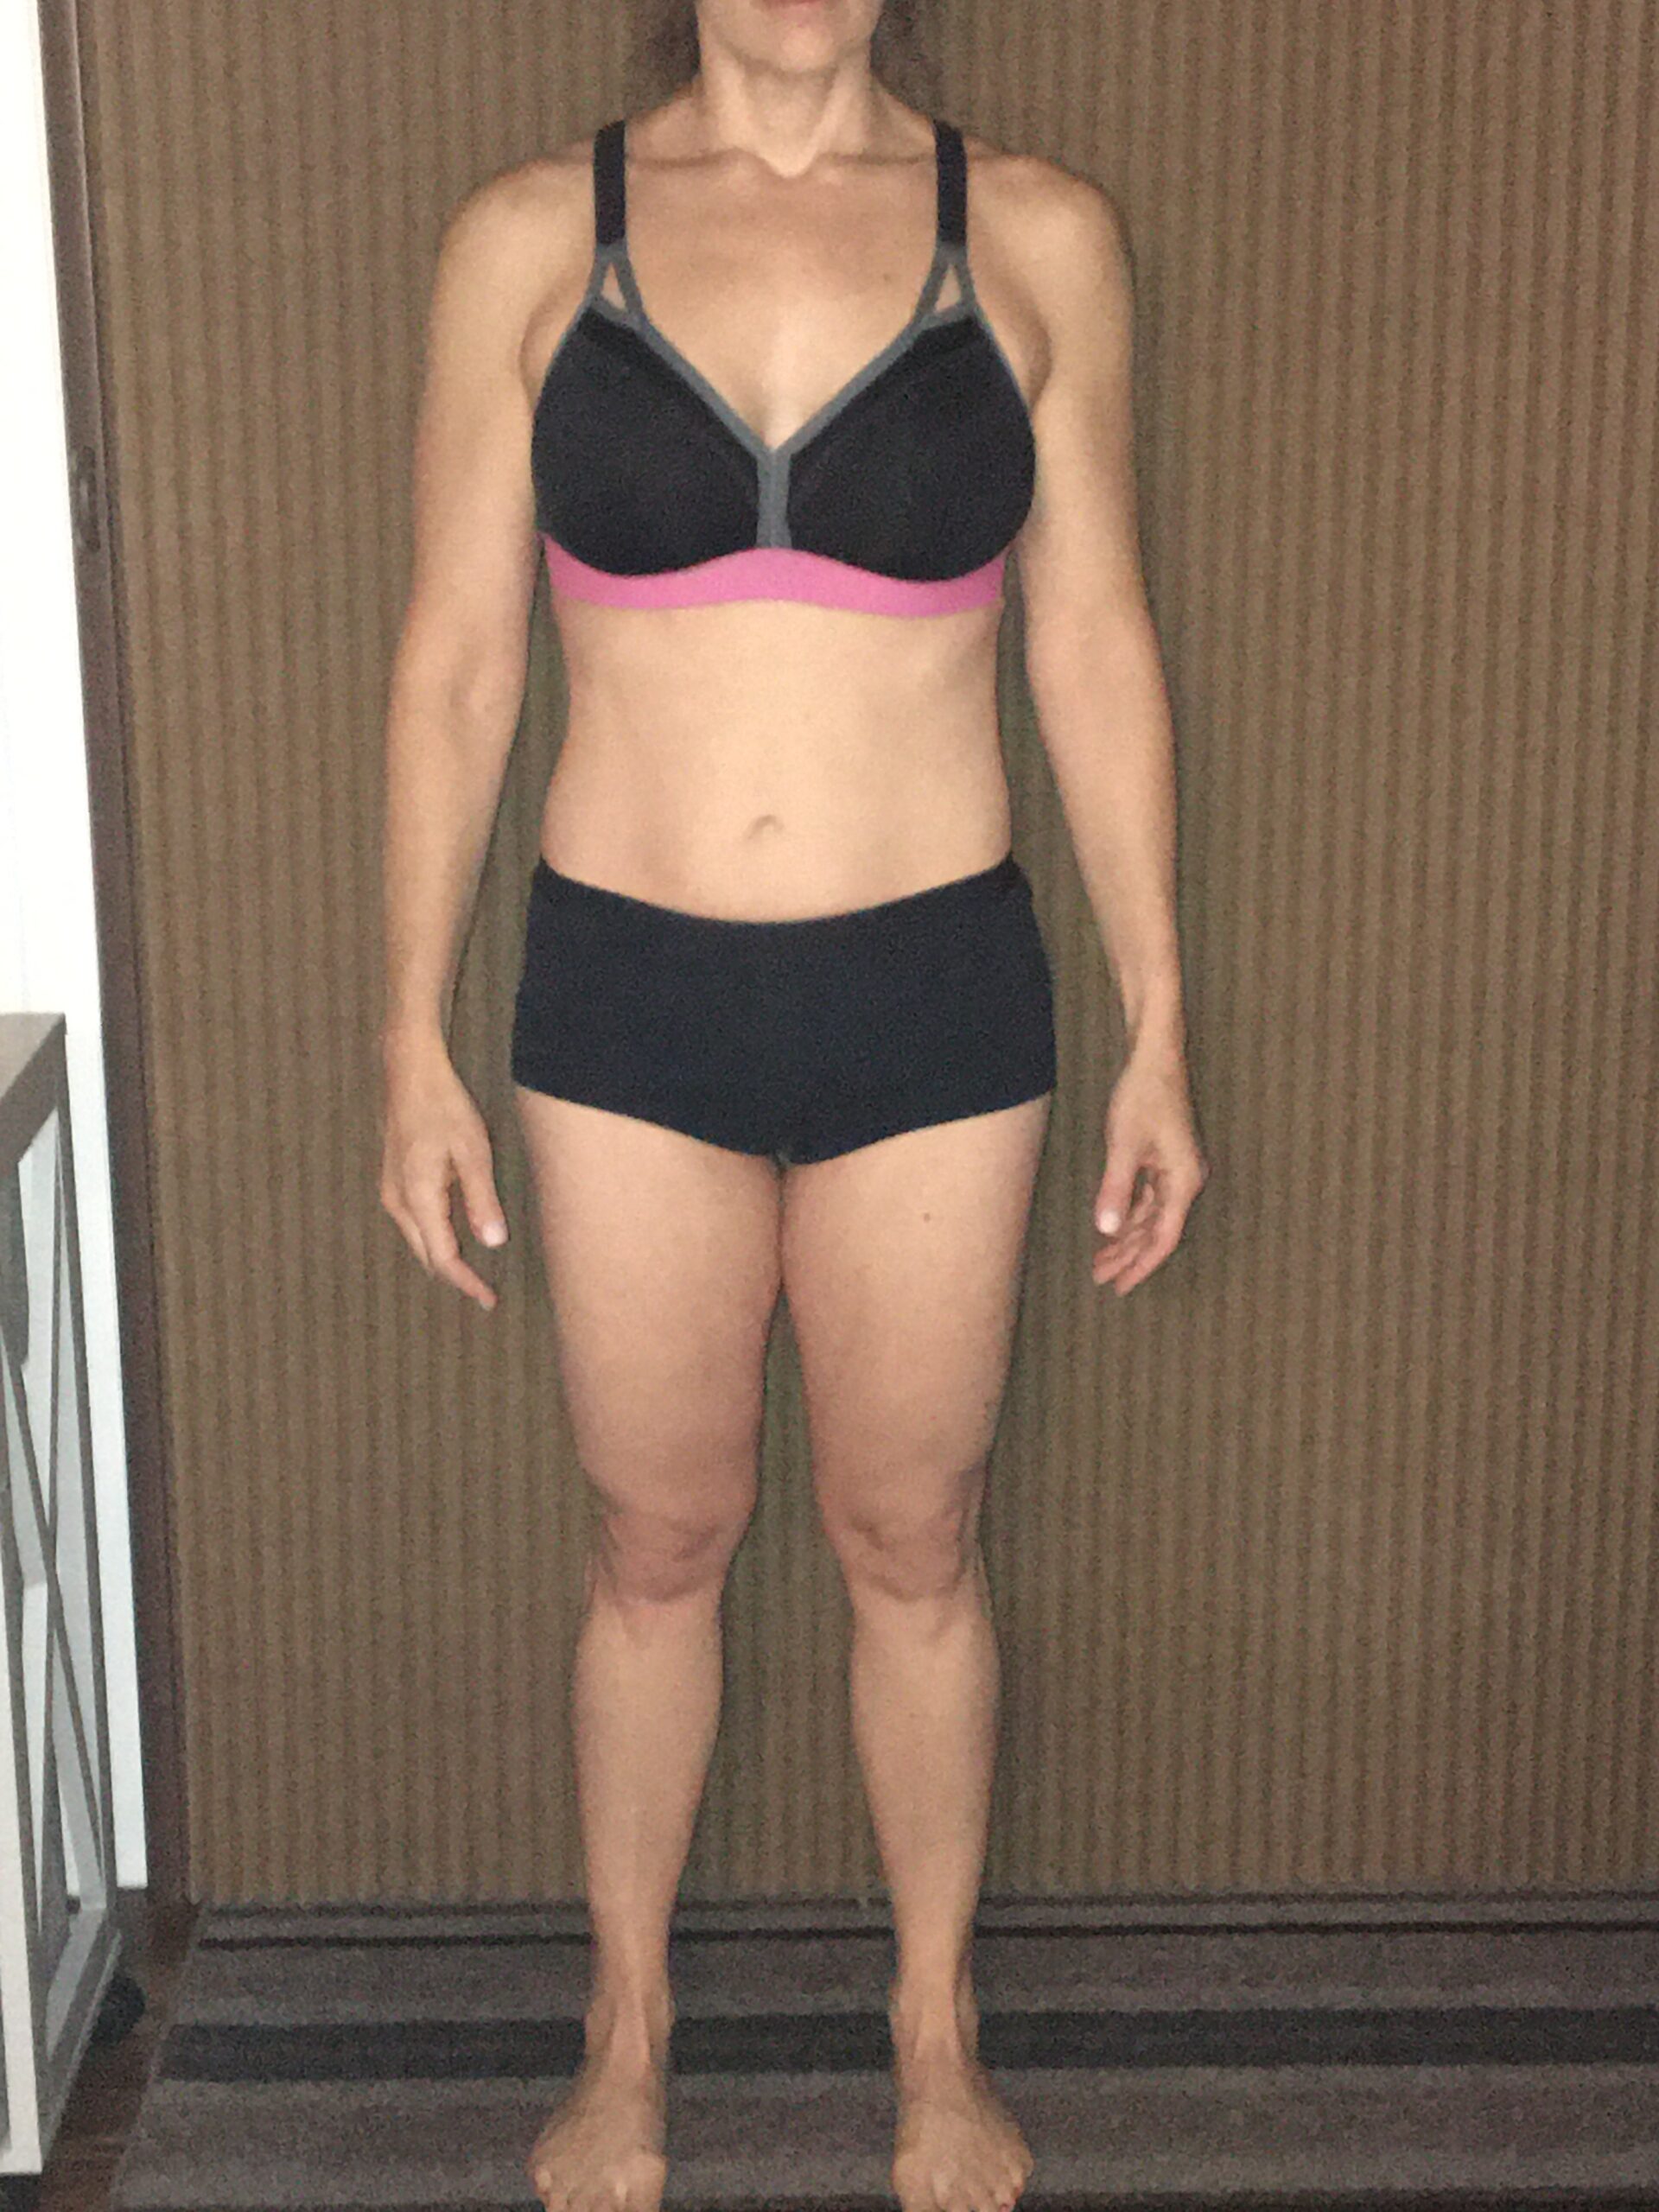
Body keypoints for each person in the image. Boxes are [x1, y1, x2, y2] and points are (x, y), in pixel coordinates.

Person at [378, 3, 1207, 2207]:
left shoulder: (1035, 236)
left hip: (933, 994)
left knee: (914, 1539)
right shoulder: (530, 238)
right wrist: (405, 1032)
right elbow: (455, 658)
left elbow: (1095, 638)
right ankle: (625, 2032)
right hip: (625, 996)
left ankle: (934, 2027)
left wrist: (1160, 1016)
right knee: (656, 1541)